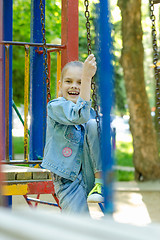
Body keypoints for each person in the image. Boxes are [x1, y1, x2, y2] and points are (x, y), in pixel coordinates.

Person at [41, 54, 103, 214]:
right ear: (60, 85)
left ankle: (100, 182)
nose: (74, 86)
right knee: (78, 223)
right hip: (66, 178)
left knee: (95, 124)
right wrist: (87, 77)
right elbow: (78, 115)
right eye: (69, 82)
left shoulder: (90, 113)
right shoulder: (55, 107)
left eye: (80, 82)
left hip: (88, 172)